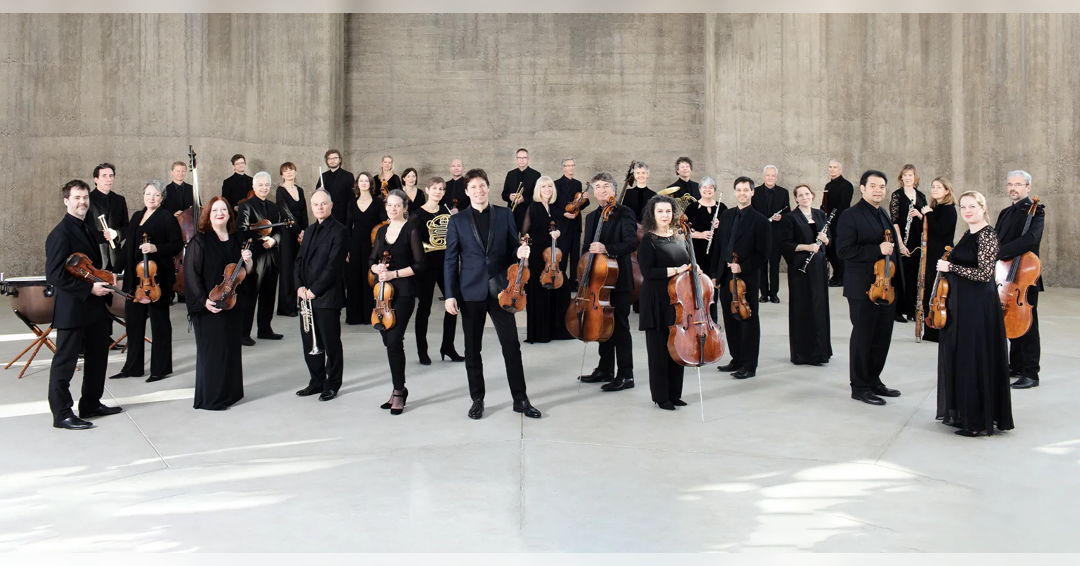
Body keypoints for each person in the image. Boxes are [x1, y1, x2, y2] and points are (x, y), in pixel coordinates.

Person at [444, 168, 542, 420]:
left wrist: (520, 252)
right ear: (467, 192)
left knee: (511, 346)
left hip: (502, 291)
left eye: (482, 186)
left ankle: (520, 399)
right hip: (470, 292)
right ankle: (477, 399)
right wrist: (450, 294)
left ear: (488, 187)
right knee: (472, 349)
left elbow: (513, 247)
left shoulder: (504, 214)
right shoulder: (457, 221)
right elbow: (451, 259)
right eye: (473, 187)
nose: (478, 191)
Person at [45, 180, 124, 430]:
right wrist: (89, 288)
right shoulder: (60, 233)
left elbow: (89, 268)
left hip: (94, 308)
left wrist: (103, 279)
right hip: (73, 308)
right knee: (65, 362)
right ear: (66, 201)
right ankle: (61, 414)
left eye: (85, 198)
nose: (82, 202)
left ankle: (91, 403)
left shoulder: (87, 227)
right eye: (77, 198)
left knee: (98, 357)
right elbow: (54, 275)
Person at [935, 191, 1014, 436]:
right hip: (962, 303)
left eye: (972, 206)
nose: (967, 211)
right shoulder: (968, 234)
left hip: (978, 306)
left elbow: (984, 274)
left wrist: (950, 267)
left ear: (983, 208)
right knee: (963, 356)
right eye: (963, 207)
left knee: (974, 357)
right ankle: (965, 412)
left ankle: (978, 421)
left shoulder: (987, 235)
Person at [836, 170, 903, 406]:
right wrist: (877, 249)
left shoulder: (882, 212)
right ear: (862, 188)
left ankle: (874, 381)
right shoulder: (850, 215)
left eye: (882, 186)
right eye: (873, 186)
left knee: (881, 337)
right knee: (863, 337)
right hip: (862, 288)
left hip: (885, 287)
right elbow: (843, 250)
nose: (878, 190)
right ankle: (860, 387)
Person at [110, 180, 183, 382]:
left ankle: (161, 369)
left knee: (159, 324)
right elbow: (127, 247)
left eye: (156, 195)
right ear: (143, 195)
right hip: (135, 279)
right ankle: (133, 367)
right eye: (148, 194)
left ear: (162, 198)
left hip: (157, 280)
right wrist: (114, 270)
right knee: (133, 323)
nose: (152, 198)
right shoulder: (137, 216)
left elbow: (177, 245)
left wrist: (155, 248)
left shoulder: (166, 217)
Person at [184, 196, 252, 410]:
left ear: (229, 215)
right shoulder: (200, 241)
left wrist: (248, 261)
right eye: (215, 210)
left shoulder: (236, 240)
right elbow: (191, 275)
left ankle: (230, 394)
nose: (220, 213)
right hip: (208, 306)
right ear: (208, 215)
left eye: (223, 210)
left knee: (230, 350)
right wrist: (203, 300)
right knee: (213, 353)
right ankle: (212, 399)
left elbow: (244, 273)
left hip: (231, 303)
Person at [576, 172, 639, 390]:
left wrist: (607, 248)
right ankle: (605, 369)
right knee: (602, 326)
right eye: (597, 187)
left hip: (618, 280)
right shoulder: (591, 217)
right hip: (596, 282)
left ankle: (626, 375)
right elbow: (586, 248)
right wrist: (585, 271)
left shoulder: (624, 213)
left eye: (605, 186)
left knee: (620, 327)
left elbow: (631, 243)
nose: (601, 190)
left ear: (613, 189)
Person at [370, 190, 425, 415]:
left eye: (397, 205)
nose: (392, 209)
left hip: (404, 293)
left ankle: (399, 390)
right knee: (387, 339)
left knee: (394, 340)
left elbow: (420, 265)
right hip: (382, 294)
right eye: (389, 205)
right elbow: (372, 260)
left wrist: (394, 274)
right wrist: (377, 268)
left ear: (404, 207)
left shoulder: (411, 229)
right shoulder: (382, 230)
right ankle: (397, 389)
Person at [713, 176, 770, 379]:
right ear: (734, 192)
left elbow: (764, 254)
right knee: (730, 319)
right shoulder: (727, 215)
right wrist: (716, 275)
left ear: (752, 192)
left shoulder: (761, 220)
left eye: (746, 190)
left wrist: (742, 266)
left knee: (748, 320)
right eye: (739, 190)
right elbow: (720, 247)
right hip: (726, 276)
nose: (742, 193)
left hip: (747, 278)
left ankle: (749, 365)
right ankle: (736, 359)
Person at [294, 190, 348, 402]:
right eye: (316, 204)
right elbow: (299, 261)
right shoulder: (309, 230)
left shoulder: (340, 231)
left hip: (327, 297)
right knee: (310, 342)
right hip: (306, 296)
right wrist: (299, 286)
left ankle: (332, 384)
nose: (319, 207)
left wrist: (314, 290)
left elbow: (333, 266)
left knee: (330, 343)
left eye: (323, 204)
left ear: (331, 205)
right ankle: (316, 381)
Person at [636, 195, 690, 410]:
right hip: (656, 300)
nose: (665, 215)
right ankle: (661, 397)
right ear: (653, 214)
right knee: (658, 351)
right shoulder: (648, 240)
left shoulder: (679, 236)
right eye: (660, 211)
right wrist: (677, 270)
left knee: (678, 348)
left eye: (668, 211)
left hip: (678, 300)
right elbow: (648, 272)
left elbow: (687, 262)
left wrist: (693, 270)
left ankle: (675, 394)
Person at [995, 169, 1045, 389]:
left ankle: (1031, 373)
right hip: (1005, 274)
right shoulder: (1005, 212)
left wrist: (1000, 252)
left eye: (1018, 184)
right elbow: (997, 238)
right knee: (1011, 320)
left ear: (1028, 187)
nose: (1013, 188)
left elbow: (1030, 240)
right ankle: (1015, 366)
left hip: (1026, 274)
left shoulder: (1036, 211)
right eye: (1010, 184)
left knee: (1028, 324)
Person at [778, 184, 832, 365]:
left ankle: (821, 352)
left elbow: (829, 241)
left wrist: (826, 240)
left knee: (819, 307)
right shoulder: (790, 218)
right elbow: (784, 244)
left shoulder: (820, 214)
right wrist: (807, 247)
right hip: (800, 269)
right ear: (796, 199)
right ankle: (803, 354)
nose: (804, 197)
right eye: (800, 195)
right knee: (803, 307)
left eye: (807, 194)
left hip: (818, 268)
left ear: (812, 195)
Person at [413, 176, 463, 364]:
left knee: (453, 305)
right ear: (427, 190)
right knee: (424, 308)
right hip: (425, 266)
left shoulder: (446, 211)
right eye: (434, 188)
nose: (438, 192)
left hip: (446, 264)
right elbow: (413, 243)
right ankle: (422, 350)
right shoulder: (417, 214)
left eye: (441, 189)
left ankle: (448, 346)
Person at [521, 176, 572, 345]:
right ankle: (540, 333)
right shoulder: (533, 207)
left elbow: (562, 227)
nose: (547, 190)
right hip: (537, 255)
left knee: (561, 289)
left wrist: (559, 232)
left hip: (553, 256)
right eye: (544, 187)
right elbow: (524, 232)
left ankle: (558, 330)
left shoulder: (555, 208)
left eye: (550, 186)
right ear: (539, 189)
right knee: (539, 292)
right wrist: (525, 256)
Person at [236, 171, 283, 344]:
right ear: (254, 186)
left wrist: (273, 240)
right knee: (250, 295)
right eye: (260, 185)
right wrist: (261, 239)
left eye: (267, 185)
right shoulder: (246, 206)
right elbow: (242, 230)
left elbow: (279, 230)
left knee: (269, 295)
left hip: (271, 256)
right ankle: (243, 333)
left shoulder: (274, 206)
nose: (264, 188)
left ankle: (265, 329)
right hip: (255, 256)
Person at [918, 177, 957, 343]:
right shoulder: (936, 208)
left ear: (947, 191)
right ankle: (930, 330)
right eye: (933, 186)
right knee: (928, 290)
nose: (934, 189)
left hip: (941, 255)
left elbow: (941, 231)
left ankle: (938, 330)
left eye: (939, 187)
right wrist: (924, 216)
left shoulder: (948, 209)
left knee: (938, 292)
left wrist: (928, 214)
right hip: (931, 254)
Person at [888, 164, 927, 323]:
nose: (908, 178)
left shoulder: (921, 196)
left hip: (917, 242)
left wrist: (920, 215)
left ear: (915, 177)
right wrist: (900, 244)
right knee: (900, 276)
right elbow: (894, 222)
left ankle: (911, 310)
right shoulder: (897, 195)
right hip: (902, 240)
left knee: (914, 276)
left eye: (910, 175)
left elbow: (927, 219)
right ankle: (897, 311)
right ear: (901, 178)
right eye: (905, 175)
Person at [345, 171, 385, 324]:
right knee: (354, 279)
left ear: (371, 184)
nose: (363, 183)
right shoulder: (351, 202)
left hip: (372, 245)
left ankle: (370, 315)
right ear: (357, 184)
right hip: (355, 244)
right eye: (361, 181)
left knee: (370, 280)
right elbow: (348, 227)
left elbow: (383, 224)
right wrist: (347, 249)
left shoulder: (378, 202)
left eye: (366, 181)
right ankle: (354, 316)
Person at [750, 165, 790, 304]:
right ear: (764, 176)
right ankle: (763, 294)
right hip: (760, 234)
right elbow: (751, 211)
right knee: (761, 265)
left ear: (776, 177)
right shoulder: (755, 192)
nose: (770, 178)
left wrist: (782, 217)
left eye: (773, 175)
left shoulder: (783, 192)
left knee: (774, 266)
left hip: (776, 234)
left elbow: (788, 212)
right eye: (768, 175)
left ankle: (774, 294)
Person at [275, 162, 308, 317]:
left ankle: (300, 302)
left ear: (295, 172)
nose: (289, 173)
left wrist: (305, 232)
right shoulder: (280, 191)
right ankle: (286, 307)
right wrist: (298, 231)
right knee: (288, 269)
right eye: (286, 171)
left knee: (300, 268)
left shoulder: (300, 190)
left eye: (291, 170)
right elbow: (285, 213)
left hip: (301, 233)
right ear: (282, 174)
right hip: (287, 233)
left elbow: (304, 212)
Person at [87, 163, 128, 271]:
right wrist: (101, 235)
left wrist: (116, 233)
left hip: (115, 257)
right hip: (94, 255)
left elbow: (127, 227)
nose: (109, 179)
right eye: (104, 176)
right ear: (96, 179)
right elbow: (83, 228)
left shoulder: (120, 200)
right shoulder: (87, 199)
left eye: (111, 176)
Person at [822, 159, 854, 286]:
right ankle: (837, 275)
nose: (832, 169)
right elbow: (824, 205)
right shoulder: (828, 186)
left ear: (840, 169)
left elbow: (843, 206)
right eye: (830, 167)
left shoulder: (847, 185)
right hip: (828, 222)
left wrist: (831, 218)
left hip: (840, 223)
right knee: (829, 250)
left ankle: (841, 277)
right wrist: (821, 214)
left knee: (837, 250)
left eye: (835, 167)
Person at [554, 158, 584, 284]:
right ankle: (561, 282)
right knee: (563, 255)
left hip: (575, 225)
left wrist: (584, 200)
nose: (571, 167)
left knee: (575, 256)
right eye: (568, 165)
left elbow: (578, 206)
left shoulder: (578, 184)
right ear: (563, 168)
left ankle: (573, 282)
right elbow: (552, 206)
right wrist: (563, 214)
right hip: (562, 225)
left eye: (573, 165)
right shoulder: (556, 184)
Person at [502, 148, 542, 232]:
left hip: (529, 214)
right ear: (516, 159)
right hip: (512, 215)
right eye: (519, 158)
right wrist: (509, 197)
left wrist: (524, 199)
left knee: (527, 239)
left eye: (524, 158)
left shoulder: (536, 175)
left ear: (528, 159)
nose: (522, 160)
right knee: (512, 239)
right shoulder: (510, 174)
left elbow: (539, 196)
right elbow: (504, 194)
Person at [315, 149, 354, 225]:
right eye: (329, 158)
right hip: (326, 214)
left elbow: (351, 199)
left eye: (335, 158)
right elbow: (317, 196)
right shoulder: (323, 176)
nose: (332, 160)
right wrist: (320, 192)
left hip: (343, 216)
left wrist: (350, 218)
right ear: (327, 161)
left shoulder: (348, 176)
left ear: (340, 160)